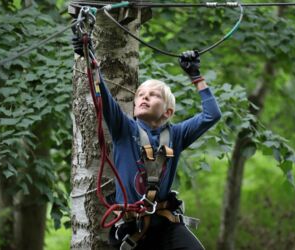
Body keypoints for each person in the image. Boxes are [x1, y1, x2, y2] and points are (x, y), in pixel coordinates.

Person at [73, 36, 221, 249]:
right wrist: (90, 58)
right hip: (131, 228)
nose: (144, 98)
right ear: (133, 108)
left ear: (168, 112)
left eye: (153, 96)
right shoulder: (124, 129)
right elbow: (103, 96)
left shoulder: (176, 135)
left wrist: (196, 76)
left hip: (164, 223)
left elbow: (212, 115)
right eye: (141, 95)